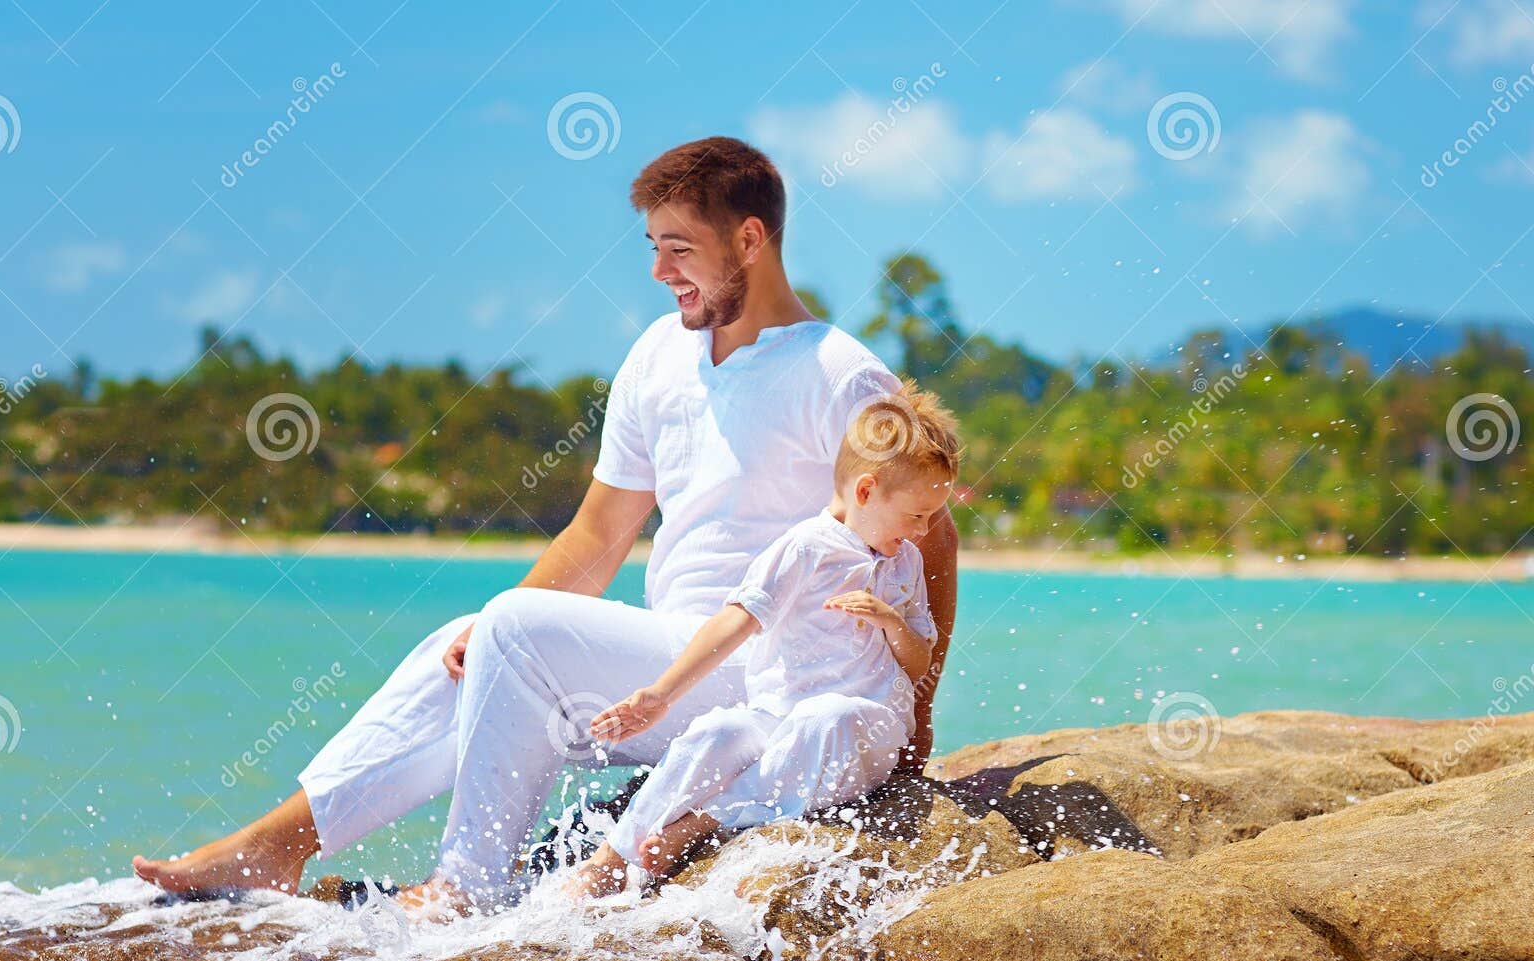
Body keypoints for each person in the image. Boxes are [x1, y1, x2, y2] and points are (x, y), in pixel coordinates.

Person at [131, 136, 958, 914]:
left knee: (514, 628)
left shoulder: (838, 373)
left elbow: (931, 535)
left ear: (749, 240)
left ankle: (465, 887)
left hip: (772, 679)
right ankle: (277, 845)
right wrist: (492, 632)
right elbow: (597, 537)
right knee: (475, 632)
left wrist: (914, 712)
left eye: (680, 247)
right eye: (652, 246)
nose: (661, 270)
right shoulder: (657, 356)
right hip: (667, 666)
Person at [566, 384, 958, 899]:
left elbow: (918, 660)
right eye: (916, 515)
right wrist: (659, 694)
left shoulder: (904, 562)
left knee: (828, 718)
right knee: (718, 731)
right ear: (865, 491)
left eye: (931, 516)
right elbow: (736, 621)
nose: (925, 530)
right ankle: (612, 856)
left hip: (866, 721)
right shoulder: (804, 548)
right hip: (780, 716)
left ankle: (708, 820)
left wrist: (891, 622)